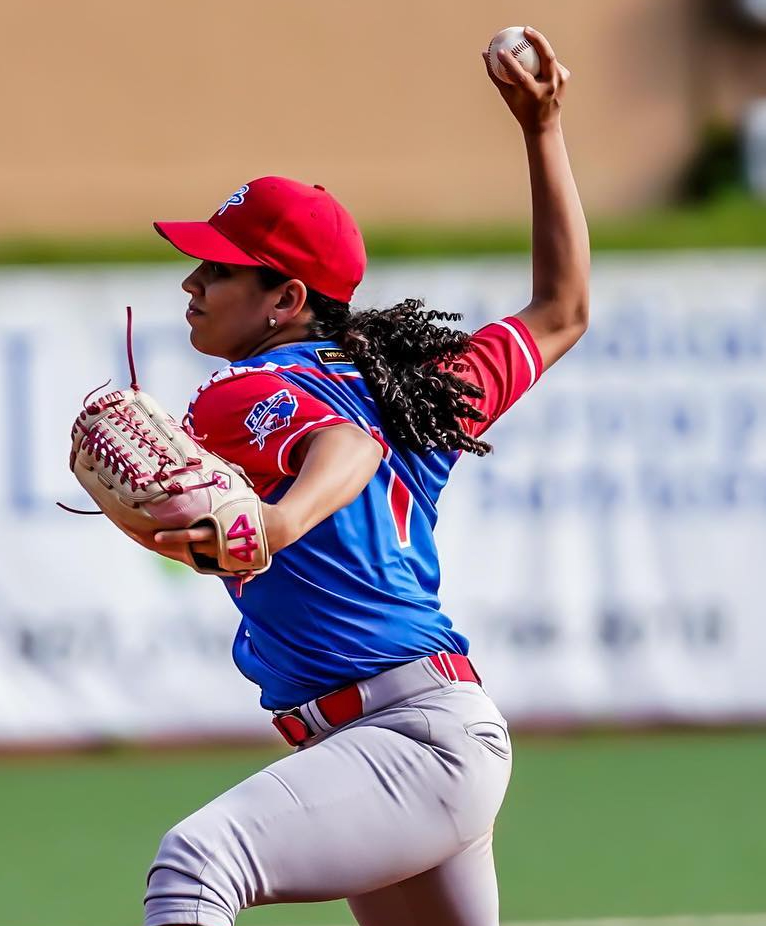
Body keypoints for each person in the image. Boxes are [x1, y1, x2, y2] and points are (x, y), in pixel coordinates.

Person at [127, 28, 588, 926]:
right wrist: (543, 133)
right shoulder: (417, 385)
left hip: (404, 741)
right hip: (422, 733)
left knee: (193, 868)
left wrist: (280, 522)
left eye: (217, 269)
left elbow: (348, 450)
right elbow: (562, 311)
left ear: (285, 299)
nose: (191, 282)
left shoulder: (246, 393)